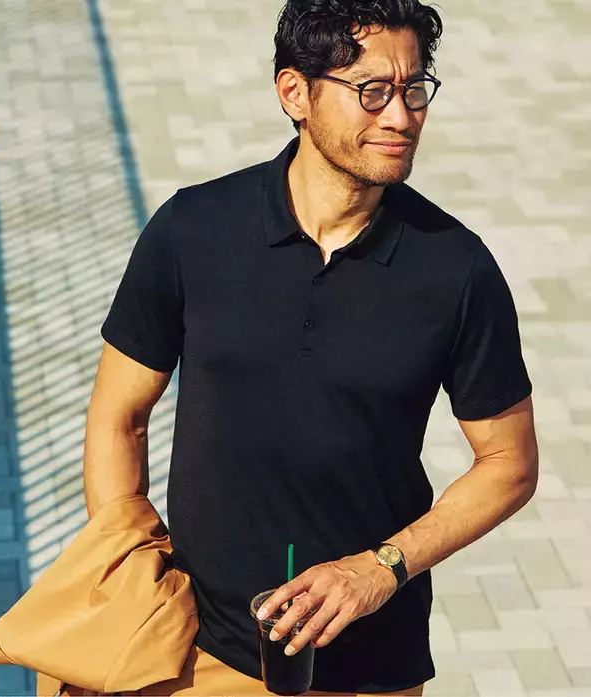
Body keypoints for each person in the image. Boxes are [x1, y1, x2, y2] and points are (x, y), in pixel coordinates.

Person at [87, 0, 539, 695]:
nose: (401, 117)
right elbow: (120, 416)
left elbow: (509, 462)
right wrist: (130, 577)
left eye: (414, 88)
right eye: (372, 91)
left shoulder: (457, 268)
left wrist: (380, 568)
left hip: (371, 664)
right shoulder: (192, 229)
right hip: (192, 652)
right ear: (295, 92)